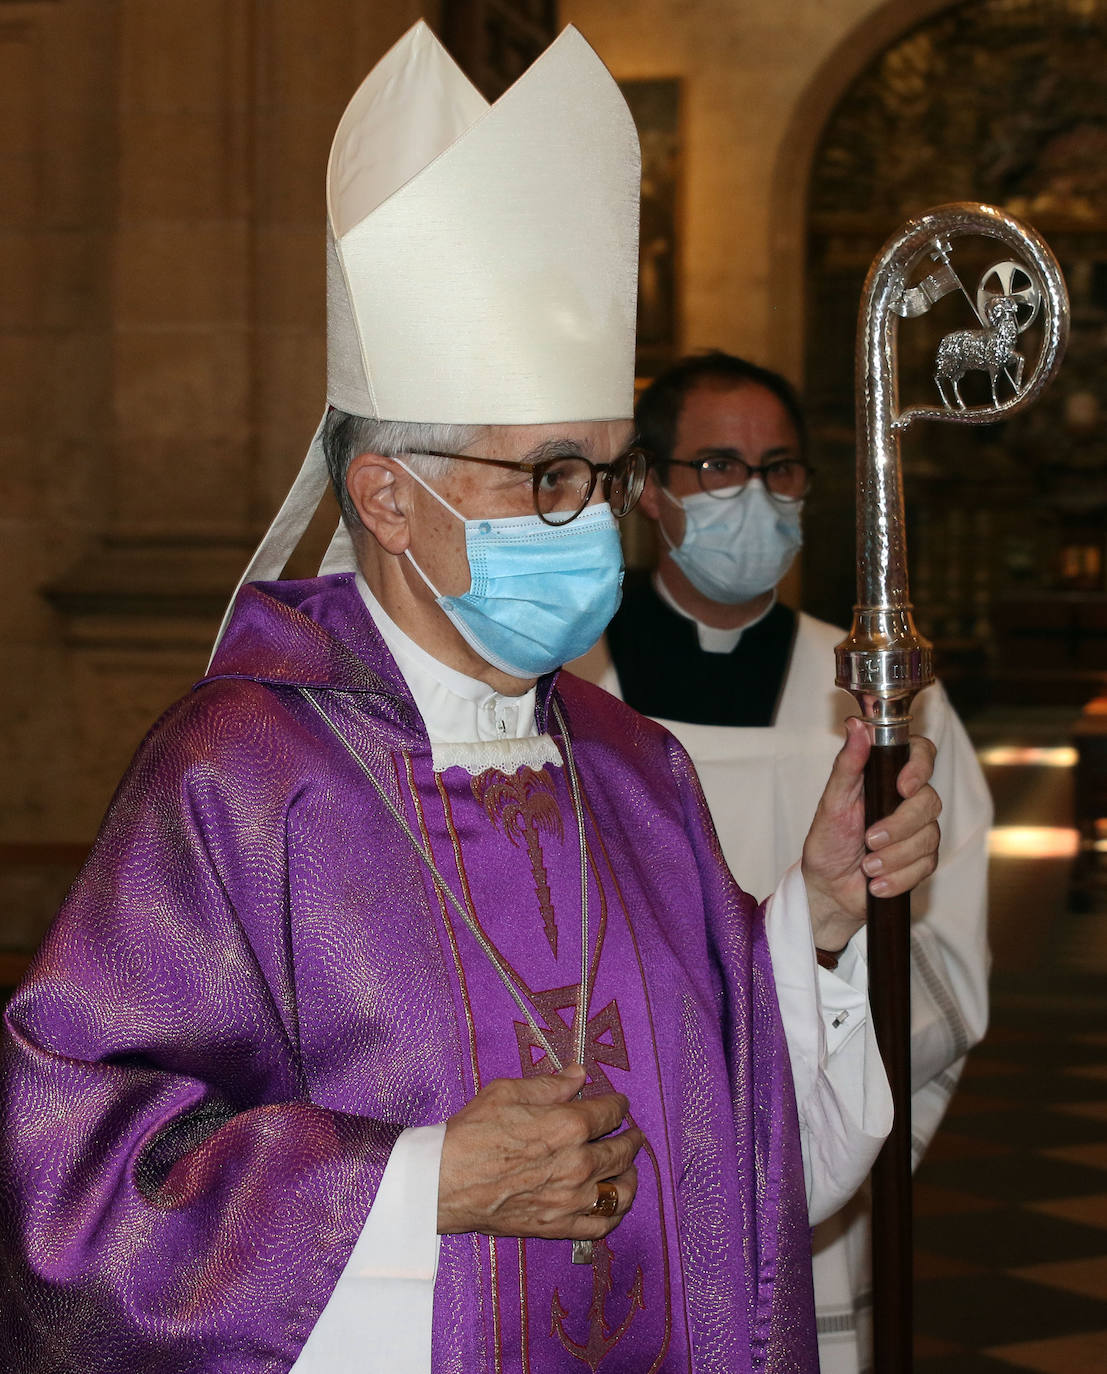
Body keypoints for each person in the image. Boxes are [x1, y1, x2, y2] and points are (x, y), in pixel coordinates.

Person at [0, 29, 941, 1374]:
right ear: (388, 497)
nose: (593, 525)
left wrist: (825, 909)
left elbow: (740, 1128)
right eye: (546, 478)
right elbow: (74, 1179)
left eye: (607, 477)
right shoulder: (240, 774)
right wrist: (418, 1183)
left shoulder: (632, 767)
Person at [577, 350, 991, 1374]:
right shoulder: (570, 692)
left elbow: (945, 949)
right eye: (718, 467)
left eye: (780, 470)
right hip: (609, 1158)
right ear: (647, 488)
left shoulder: (886, 708)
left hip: (810, 1148)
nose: (753, 497)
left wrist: (792, 1078)